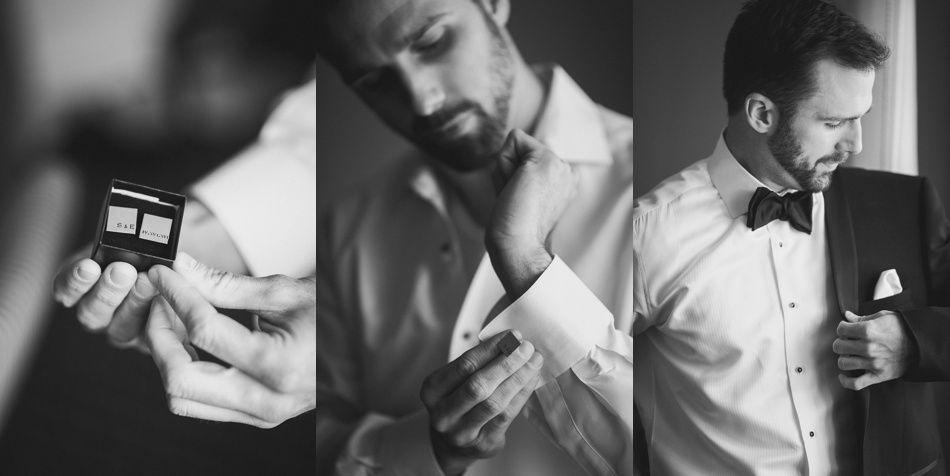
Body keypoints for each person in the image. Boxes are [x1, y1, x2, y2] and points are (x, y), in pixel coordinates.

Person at [315, 0, 633, 474]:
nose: (423, 101)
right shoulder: (346, 230)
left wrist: (526, 264)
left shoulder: (650, 195)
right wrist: (427, 452)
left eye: (431, 42)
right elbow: (317, 428)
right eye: (376, 82)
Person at [634, 0, 950, 474]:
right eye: (834, 122)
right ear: (762, 113)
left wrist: (914, 341)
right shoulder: (647, 235)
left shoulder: (903, 205)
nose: (856, 144)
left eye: (861, 116)